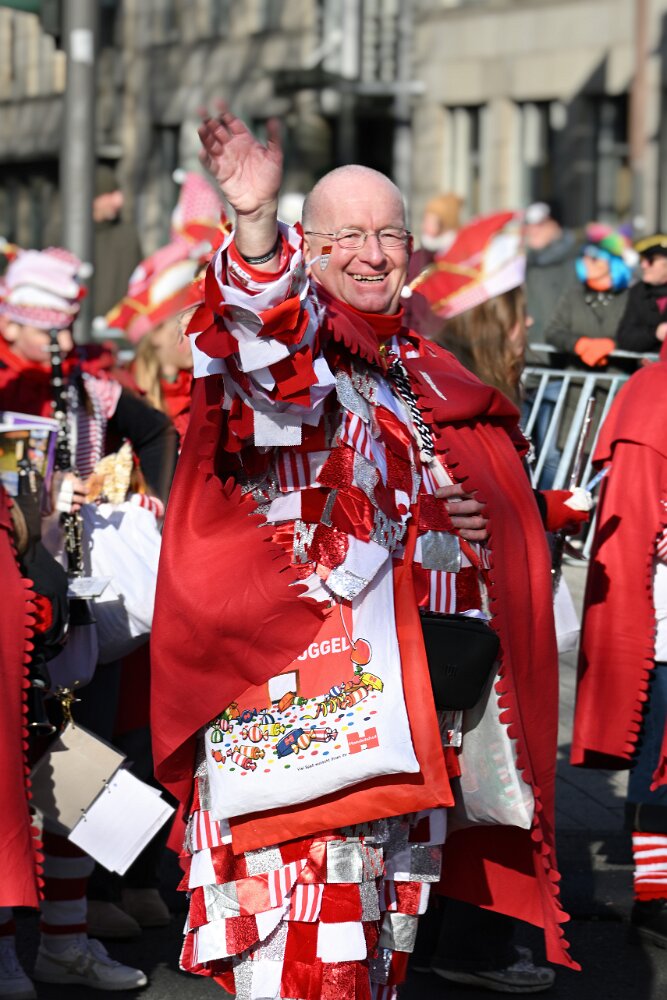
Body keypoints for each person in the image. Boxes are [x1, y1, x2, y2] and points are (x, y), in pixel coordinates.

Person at [151, 106, 575, 1000]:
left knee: (378, 953)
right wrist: (255, 224)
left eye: (388, 235)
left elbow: (384, 498)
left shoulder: (403, 366)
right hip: (300, 710)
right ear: (308, 248)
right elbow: (261, 344)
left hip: (403, 721)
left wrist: (449, 516)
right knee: (308, 956)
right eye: (346, 236)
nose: (372, 255)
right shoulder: (300, 346)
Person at [0, 246, 150, 994]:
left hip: (74, 596)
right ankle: (6, 948)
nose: (60, 340)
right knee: (6, 785)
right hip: (14, 592)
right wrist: (36, 496)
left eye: (66, 325)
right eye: (46, 327)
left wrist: (146, 493)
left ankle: (66, 938)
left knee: (80, 763)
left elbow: (154, 430)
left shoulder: (85, 386)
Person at [571, 339, 667, 947]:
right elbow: (634, 523)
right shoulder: (654, 392)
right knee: (659, 763)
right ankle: (656, 895)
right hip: (662, 620)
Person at [523, 201, 578, 361]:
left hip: (563, 360)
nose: (532, 230)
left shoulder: (581, 261)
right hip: (528, 358)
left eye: (540, 224)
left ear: (556, 224)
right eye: (528, 224)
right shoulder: (524, 262)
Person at [616, 234, 667, 356]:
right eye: (641, 260)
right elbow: (625, 338)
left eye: (650, 261)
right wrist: (655, 333)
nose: (643, 265)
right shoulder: (638, 291)